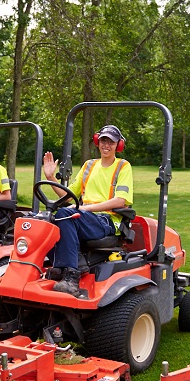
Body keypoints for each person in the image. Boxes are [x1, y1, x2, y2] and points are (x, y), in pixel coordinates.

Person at [42, 125, 134, 297]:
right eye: (103, 141)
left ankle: (71, 276)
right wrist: (50, 178)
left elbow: (120, 200)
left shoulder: (123, 166)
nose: (106, 145)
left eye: (111, 142)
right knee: (44, 220)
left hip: (107, 220)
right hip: (86, 217)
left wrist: (85, 207)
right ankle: (57, 266)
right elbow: (68, 196)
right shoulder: (89, 165)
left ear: (119, 145)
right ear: (97, 142)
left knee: (65, 215)